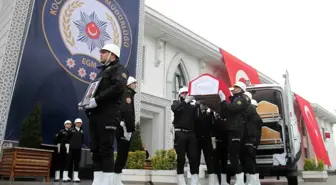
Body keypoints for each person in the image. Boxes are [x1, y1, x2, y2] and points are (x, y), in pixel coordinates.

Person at [78, 43, 128, 185]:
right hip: (95, 114)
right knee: (95, 148)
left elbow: (118, 87)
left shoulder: (119, 69)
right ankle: (97, 182)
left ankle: (107, 182)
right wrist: (85, 103)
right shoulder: (102, 73)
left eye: (104, 52)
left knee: (106, 147)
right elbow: (94, 91)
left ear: (112, 55)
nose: (100, 54)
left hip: (109, 113)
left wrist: (97, 100)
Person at [218, 82, 249, 185]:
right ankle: (239, 179)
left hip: (236, 130)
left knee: (233, 155)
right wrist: (222, 102)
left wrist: (223, 99)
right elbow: (224, 113)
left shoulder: (241, 100)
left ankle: (240, 180)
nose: (234, 89)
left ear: (241, 89)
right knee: (232, 155)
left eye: (236, 87)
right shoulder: (234, 100)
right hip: (231, 129)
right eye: (235, 87)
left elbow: (233, 108)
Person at [171, 86, 199, 185]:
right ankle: (180, 177)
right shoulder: (177, 103)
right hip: (180, 133)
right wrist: (185, 101)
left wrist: (198, 106)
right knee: (181, 157)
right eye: (183, 93)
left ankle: (194, 178)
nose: (185, 94)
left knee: (193, 157)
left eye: (187, 93)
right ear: (180, 95)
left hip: (191, 133)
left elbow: (196, 119)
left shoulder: (192, 105)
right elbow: (174, 109)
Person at [114, 76, 137, 185]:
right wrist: (127, 128)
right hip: (123, 128)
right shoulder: (127, 94)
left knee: (123, 155)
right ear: (129, 84)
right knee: (122, 155)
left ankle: (117, 178)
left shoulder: (128, 94)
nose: (135, 85)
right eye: (134, 83)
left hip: (125, 128)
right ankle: (115, 179)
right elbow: (126, 111)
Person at [241, 92, 263, 185]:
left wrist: (251, 141)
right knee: (249, 160)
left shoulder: (255, 118)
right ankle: (253, 180)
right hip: (252, 141)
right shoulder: (255, 118)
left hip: (251, 140)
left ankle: (253, 181)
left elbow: (254, 131)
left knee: (250, 160)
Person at [194, 102, 217, 185]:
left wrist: (213, 142)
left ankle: (212, 180)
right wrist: (197, 105)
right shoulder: (195, 113)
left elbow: (213, 129)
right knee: (196, 159)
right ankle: (195, 179)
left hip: (207, 139)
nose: (206, 106)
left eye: (206, 104)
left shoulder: (209, 115)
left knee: (209, 159)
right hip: (197, 139)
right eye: (204, 104)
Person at [213, 112, 230, 185]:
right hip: (218, 144)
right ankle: (217, 180)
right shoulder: (215, 121)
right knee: (217, 163)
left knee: (224, 163)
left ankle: (223, 181)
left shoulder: (227, 122)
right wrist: (214, 145)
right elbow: (213, 134)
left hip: (224, 145)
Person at [67, 118, 84, 183]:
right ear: (75, 123)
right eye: (77, 123)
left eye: (80, 123)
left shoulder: (82, 131)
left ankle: (76, 177)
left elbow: (82, 140)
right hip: (71, 149)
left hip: (78, 149)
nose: (79, 124)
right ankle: (69, 176)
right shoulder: (71, 130)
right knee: (70, 162)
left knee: (77, 163)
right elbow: (67, 139)